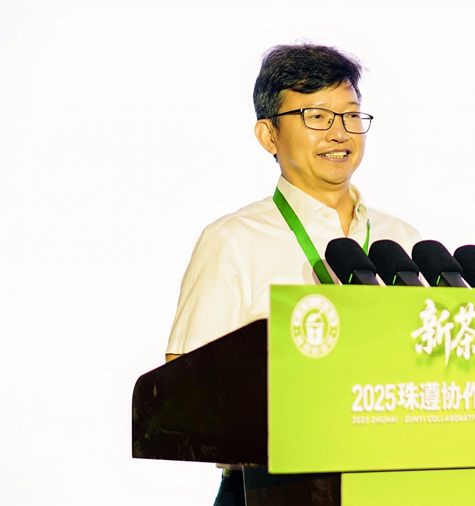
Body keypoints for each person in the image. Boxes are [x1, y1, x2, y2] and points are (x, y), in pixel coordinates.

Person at [162, 43, 422, 505]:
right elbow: (183, 393)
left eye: (351, 115)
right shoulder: (233, 240)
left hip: (388, 484)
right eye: (317, 117)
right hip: (269, 488)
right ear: (269, 135)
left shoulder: (400, 239)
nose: (340, 133)